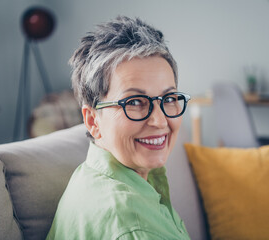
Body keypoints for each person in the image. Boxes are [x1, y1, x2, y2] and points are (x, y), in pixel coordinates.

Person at [46, 16, 191, 240]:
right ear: (93, 121)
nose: (160, 121)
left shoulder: (93, 175)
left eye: (169, 98)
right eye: (134, 102)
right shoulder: (133, 226)